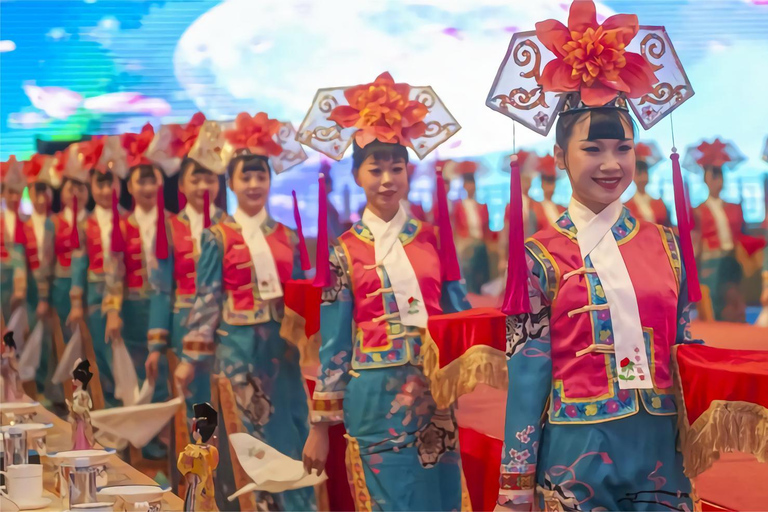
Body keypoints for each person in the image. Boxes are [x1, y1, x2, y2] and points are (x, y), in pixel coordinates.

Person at [488, 1, 698, 509]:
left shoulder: (666, 245)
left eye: (623, 149)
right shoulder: (540, 257)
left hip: (659, 446)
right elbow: (528, 373)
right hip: (575, 451)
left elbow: (687, 345)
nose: (611, 164)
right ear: (560, 156)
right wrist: (515, 483)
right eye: (593, 149)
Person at [298, 72, 470, 510]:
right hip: (374, 399)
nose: (387, 179)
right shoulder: (343, 251)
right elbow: (335, 344)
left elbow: (457, 314)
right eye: (375, 169)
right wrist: (320, 426)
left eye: (397, 168)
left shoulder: (432, 239)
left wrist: (465, 372)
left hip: (435, 399)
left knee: (441, 501)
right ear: (357, 175)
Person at [174, 111, 315, 511]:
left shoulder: (287, 236)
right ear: (230, 183)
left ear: (270, 180)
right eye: (245, 177)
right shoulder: (217, 237)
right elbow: (207, 299)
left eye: (261, 176)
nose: (254, 184)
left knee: (291, 429)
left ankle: (298, 504)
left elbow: (304, 297)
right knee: (250, 435)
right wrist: (190, 360)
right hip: (238, 353)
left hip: (284, 353)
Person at [146, 118, 226, 419]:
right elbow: (161, 288)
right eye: (196, 179)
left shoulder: (231, 226)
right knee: (192, 404)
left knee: (224, 400)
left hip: (224, 327)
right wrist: (156, 344)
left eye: (210, 178)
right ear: (181, 184)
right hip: (183, 325)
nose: (204, 186)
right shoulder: (169, 228)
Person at [103, 133, 170, 457]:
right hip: (131, 309)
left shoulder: (173, 224)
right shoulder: (124, 225)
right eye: (139, 182)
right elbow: (113, 272)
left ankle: (163, 439)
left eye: (151, 180)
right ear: (129, 187)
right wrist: (112, 310)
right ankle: (140, 441)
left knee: (163, 372)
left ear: (160, 183)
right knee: (137, 371)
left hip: (166, 309)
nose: (145, 187)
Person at [68, 135, 129, 408]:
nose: (106, 190)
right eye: (99, 184)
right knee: (102, 359)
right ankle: (111, 420)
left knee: (129, 362)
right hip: (94, 299)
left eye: (110, 183)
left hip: (127, 300)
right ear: (91, 186)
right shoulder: (85, 224)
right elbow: (79, 265)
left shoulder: (130, 221)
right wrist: (76, 303)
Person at [689, 139, 747, 322]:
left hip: (731, 259)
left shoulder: (733, 207)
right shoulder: (698, 210)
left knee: (734, 302)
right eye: (712, 175)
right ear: (705, 179)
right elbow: (695, 240)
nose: (717, 180)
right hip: (710, 262)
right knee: (713, 305)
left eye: (720, 175)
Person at [20, 154, 57, 398]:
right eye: (36, 191)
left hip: (55, 293)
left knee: (53, 345)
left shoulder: (56, 223)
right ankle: (34, 391)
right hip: (31, 294)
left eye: (45, 192)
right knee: (32, 342)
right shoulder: (24, 225)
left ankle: (52, 392)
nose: (41, 198)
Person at [51, 145, 91, 342]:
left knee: (90, 336)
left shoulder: (93, 221)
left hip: (90, 283)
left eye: (81, 189)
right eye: (71, 189)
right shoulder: (54, 222)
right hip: (61, 282)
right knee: (67, 335)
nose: (76, 193)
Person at [451, 162, 495, 294]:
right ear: (464, 186)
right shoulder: (458, 206)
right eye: (468, 184)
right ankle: (470, 291)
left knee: (482, 253)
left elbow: (487, 230)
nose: (470, 187)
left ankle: (480, 289)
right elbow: (456, 228)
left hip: (480, 243)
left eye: (472, 183)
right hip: (465, 244)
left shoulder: (482, 207)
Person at [0, 156, 28, 327]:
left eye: (16, 192)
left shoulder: (25, 221)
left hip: (20, 282)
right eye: (10, 192)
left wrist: (20, 286)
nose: (13, 197)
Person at [178, 402, 220, 512]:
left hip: (197, 488)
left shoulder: (191, 451)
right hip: (205, 488)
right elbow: (214, 464)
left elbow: (182, 465)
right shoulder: (212, 451)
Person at [625, 142, 669, 225]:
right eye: (639, 173)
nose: (643, 177)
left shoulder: (658, 202)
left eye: (645, 172)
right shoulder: (627, 206)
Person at [529, 154, 566, 231]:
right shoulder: (534, 208)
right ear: (542, 183)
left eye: (552, 182)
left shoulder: (562, 209)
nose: (550, 186)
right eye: (547, 182)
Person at [69, 359, 95, 450]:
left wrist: (74, 408)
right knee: (78, 434)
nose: (73, 381)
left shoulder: (83, 394)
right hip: (79, 419)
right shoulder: (78, 392)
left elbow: (83, 407)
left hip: (82, 418)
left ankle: (83, 448)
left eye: (75, 379)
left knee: (83, 434)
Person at [1, 332, 24, 402]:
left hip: (12, 369)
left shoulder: (11, 351)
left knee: (13, 379)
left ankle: (14, 393)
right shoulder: (7, 352)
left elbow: (11, 355)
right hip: (8, 369)